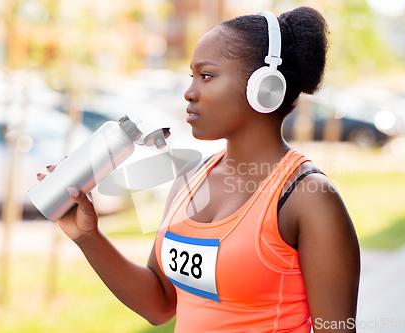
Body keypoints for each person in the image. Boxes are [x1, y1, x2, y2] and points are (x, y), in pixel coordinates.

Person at [36, 6, 360, 332]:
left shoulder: (308, 198)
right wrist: (87, 236)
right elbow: (161, 305)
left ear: (265, 89)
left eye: (206, 76)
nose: (190, 92)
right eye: (191, 76)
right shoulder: (189, 178)